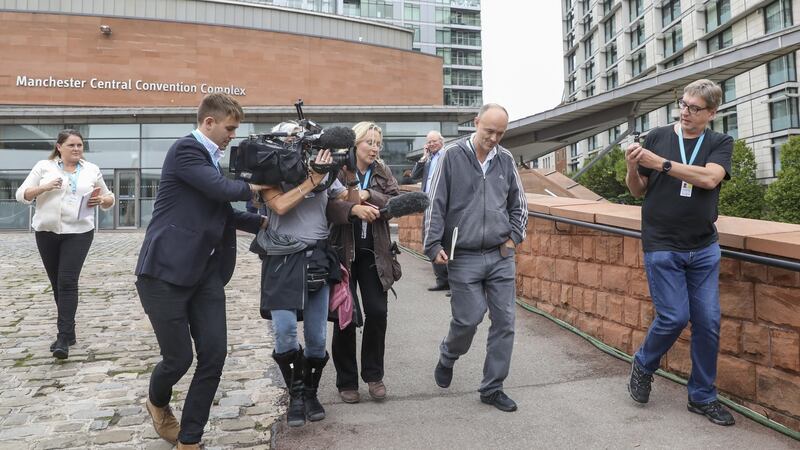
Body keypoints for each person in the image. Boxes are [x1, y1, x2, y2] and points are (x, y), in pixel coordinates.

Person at [134, 93, 268, 449]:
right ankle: (157, 401)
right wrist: (264, 186)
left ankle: (189, 439)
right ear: (208, 123)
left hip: (205, 274)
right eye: (229, 128)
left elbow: (224, 213)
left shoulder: (210, 160)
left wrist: (266, 222)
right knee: (178, 359)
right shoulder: (187, 151)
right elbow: (222, 190)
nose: (232, 136)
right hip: (164, 273)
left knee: (214, 354)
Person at [625, 79, 735, 426]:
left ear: (711, 113)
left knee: (708, 323)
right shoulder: (657, 136)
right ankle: (644, 363)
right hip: (662, 244)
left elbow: (708, 179)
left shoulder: (720, 142)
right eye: (683, 105)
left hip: (703, 247)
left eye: (694, 108)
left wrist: (663, 165)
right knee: (673, 316)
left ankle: (702, 396)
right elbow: (638, 190)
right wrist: (633, 166)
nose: (685, 112)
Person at [424, 104, 528, 412]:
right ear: (476, 123)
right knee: (468, 319)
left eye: (500, 133)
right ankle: (448, 355)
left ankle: (492, 387)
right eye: (489, 131)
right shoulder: (450, 157)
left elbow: (519, 204)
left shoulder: (506, 160)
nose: (494, 138)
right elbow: (435, 203)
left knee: (505, 321)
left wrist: (513, 240)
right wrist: (432, 245)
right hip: (463, 255)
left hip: (499, 255)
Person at [257, 122, 361, 428]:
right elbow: (280, 206)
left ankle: (311, 393)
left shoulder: (325, 171)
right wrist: (312, 179)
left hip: (317, 256)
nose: (295, 146)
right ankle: (295, 394)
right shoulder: (269, 169)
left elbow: (347, 205)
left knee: (316, 338)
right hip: (281, 258)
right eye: (290, 140)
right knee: (285, 331)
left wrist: (350, 175)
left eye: (300, 140)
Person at [16, 129, 115, 360]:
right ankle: (69, 332)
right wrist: (44, 187)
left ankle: (62, 338)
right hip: (46, 232)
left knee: (67, 281)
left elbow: (109, 197)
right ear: (59, 147)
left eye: (80, 145)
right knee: (57, 284)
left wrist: (103, 200)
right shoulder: (44, 167)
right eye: (71, 145)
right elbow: (22, 194)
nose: (77, 149)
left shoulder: (92, 169)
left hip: (79, 232)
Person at [327, 122, 400, 404]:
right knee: (346, 318)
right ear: (356, 144)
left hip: (374, 253)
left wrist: (370, 195)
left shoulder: (382, 171)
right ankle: (346, 381)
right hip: (344, 253)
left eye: (378, 143)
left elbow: (396, 201)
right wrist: (353, 209)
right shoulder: (338, 169)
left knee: (377, 313)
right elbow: (328, 206)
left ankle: (374, 375)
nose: (374, 148)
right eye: (369, 142)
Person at [412, 130, 449, 292]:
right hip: (428, 203)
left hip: (443, 204)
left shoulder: (447, 156)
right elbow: (414, 176)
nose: (432, 144)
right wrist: (423, 158)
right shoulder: (428, 159)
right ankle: (441, 280)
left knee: (445, 241)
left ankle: (454, 283)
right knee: (430, 239)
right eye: (429, 142)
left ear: (441, 141)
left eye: (434, 141)